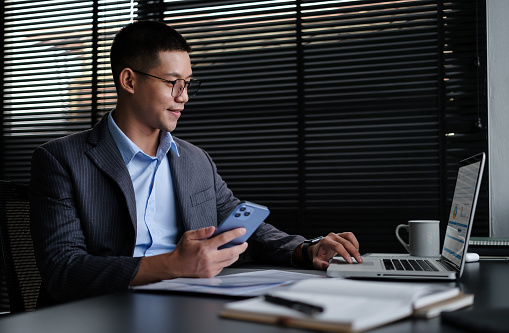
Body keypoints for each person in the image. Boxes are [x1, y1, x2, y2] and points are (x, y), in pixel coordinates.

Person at [29, 20, 362, 306]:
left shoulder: (195, 160)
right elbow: (63, 270)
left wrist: (306, 248)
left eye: (187, 84)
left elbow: (241, 225)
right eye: (173, 83)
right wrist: (173, 265)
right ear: (129, 81)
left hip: (190, 303)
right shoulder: (61, 159)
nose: (183, 97)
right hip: (104, 311)